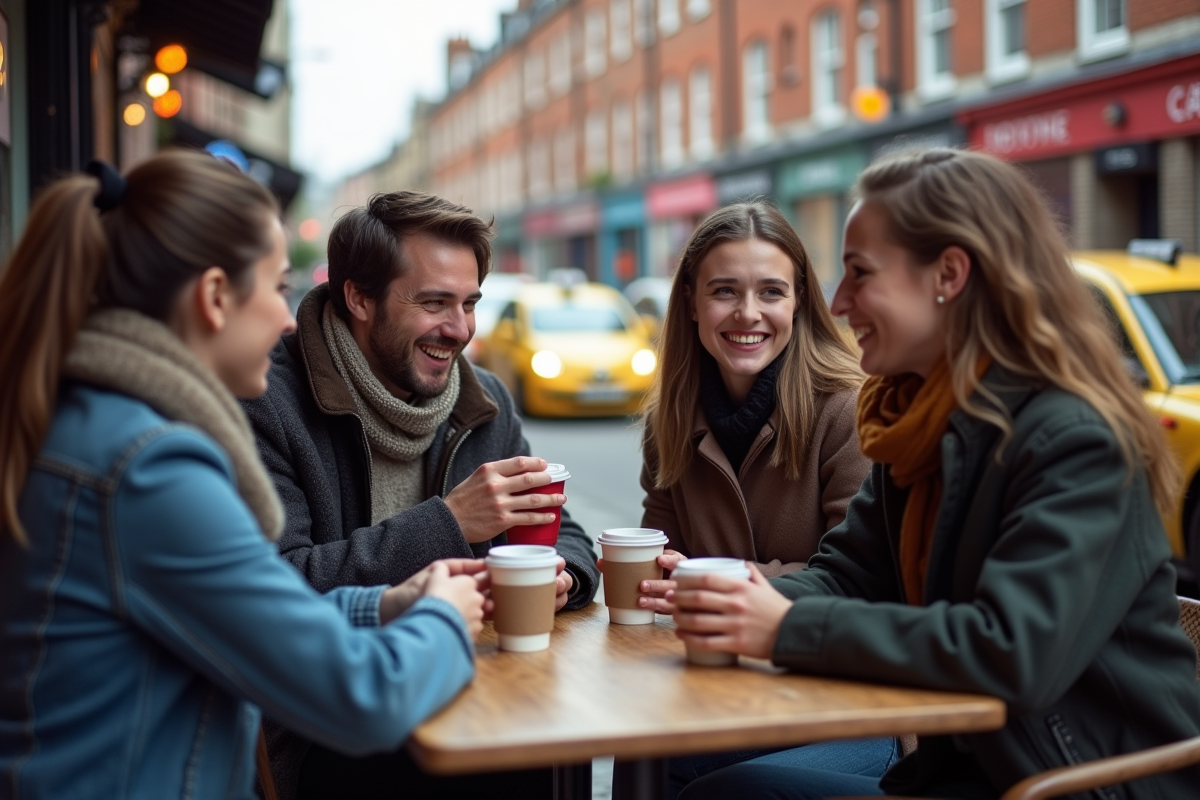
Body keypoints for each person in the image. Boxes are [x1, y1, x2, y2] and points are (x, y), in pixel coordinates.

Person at [671, 148, 1200, 799]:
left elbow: (1011, 652)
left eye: (860, 274)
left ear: (948, 274)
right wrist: (750, 593)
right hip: (968, 771)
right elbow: (850, 574)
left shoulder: (1075, 439)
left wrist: (783, 627)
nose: (838, 303)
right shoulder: (920, 424)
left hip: (1076, 785)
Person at [0, 152, 488, 800]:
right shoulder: (149, 471)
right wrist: (446, 619)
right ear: (214, 297)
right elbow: (366, 698)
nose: (290, 318)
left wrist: (386, 604)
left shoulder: (90, 421)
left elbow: (249, 615)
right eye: (279, 287)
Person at [241, 190, 600, 799]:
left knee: (551, 749)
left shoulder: (481, 398)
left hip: (474, 690)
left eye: (469, 304)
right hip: (327, 719)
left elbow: (565, 531)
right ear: (358, 296)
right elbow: (277, 589)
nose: (459, 330)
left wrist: (563, 577)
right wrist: (452, 521)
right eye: (434, 303)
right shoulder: (270, 399)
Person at [616, 201, 891, 798]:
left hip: (849, 698)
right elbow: (659, 562)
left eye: (771, 291)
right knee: (639, 747)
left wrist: (733, 581)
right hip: (728, 685)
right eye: (724, 291)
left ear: (799, 302)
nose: (748, 313)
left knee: (689, 776)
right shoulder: (670, 420)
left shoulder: (847, 409)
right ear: (691, 301)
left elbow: (860, 582)